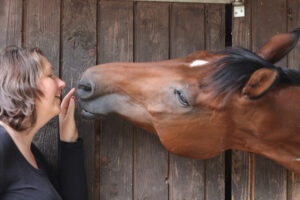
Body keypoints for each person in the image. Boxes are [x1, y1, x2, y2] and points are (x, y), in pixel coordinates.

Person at [0, 46, 87, 200]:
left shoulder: (34, 156)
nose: (62, 83)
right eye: (50, 75)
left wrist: (68, 142)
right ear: (23, 82)